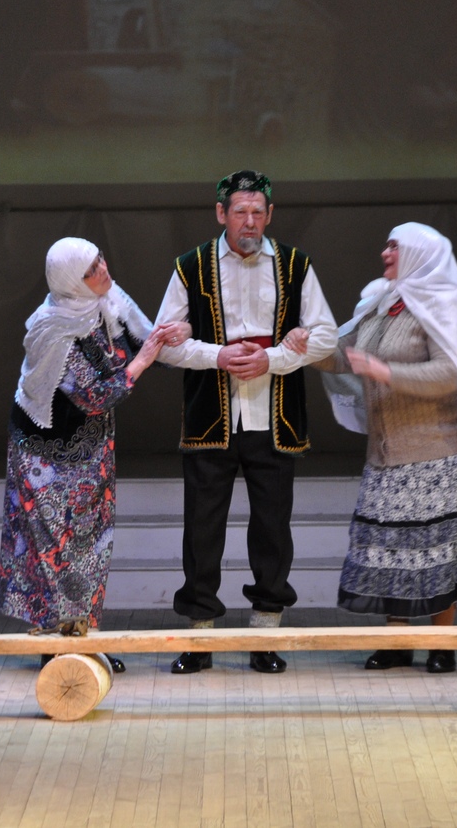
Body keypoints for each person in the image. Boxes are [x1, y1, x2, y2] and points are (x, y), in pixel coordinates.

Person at [153, 170, 338, 675]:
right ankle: (199, 638)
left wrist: (274, 359)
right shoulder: (191, 266)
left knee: (273, 530)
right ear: (222, 214)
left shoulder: (296, 265)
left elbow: (326, 336)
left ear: (270, 215)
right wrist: (216, 355)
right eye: (240, 212)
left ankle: (265, 635)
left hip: (275, 419)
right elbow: (163, 344)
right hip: (210, 419)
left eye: (258, 212)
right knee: (202, 530)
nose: (249, 221)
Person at [285, 222, 457, 674]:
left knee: (437, 551)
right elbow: (344, 355)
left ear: (418, 254)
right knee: (390, 550)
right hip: (385, 454)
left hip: (436, 453)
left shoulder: (443, 305)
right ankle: (398, 643)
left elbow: (451, 373)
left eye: (394, 246)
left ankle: (441, 646)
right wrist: (307, 347)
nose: (385, 252)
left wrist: (384, 372)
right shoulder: (382, 302)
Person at [0, 237, 188, 671]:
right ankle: (62, 648)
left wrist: (175, 336)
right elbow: (96, 396)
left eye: (100, 259)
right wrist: (144, 359)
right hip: (46, 457)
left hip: (89, 451)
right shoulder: (54, 330)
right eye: (90, 270)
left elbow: (144, 339)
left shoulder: (107, 300)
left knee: (89, 548)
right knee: (55, 551)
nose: (102, 270)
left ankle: (80, 641)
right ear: (71, 281)